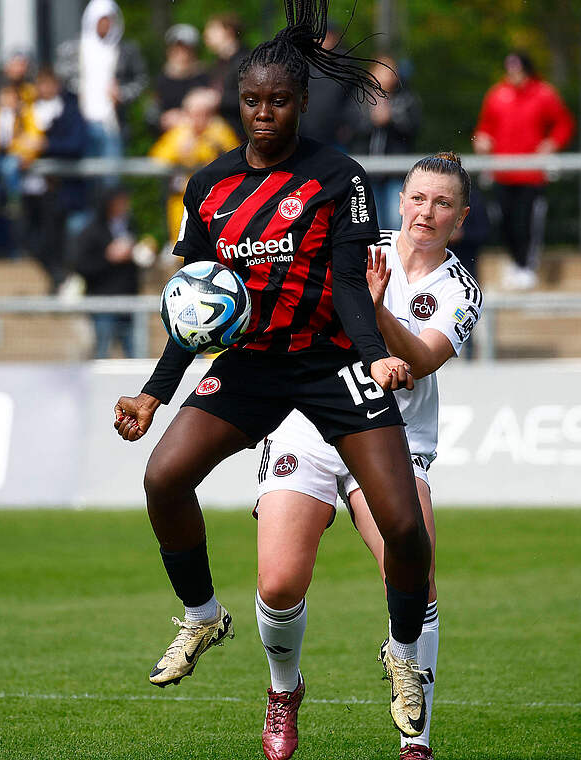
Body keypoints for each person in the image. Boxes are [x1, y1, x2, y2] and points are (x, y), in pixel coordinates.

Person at [111, 0, 434, 742]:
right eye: (252, 100)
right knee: (163, 478)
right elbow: (196, 307)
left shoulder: (338, 176)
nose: (264, 113)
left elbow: (351, 284)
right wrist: (155, 394)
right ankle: (202, 617)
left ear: (301, 101)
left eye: (278, 100)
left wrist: (377, 352)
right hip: (253, 366)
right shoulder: (209, 187)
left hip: (332, 364)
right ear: (238, 101)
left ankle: (404, 653)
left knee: (404, 526)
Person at [252, 152, 479, 760]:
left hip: (392, 440)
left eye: (442, 204)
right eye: (417, 199)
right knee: (278, 583)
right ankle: (283, 692)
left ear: (460, 217)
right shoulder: (356, 244)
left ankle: (415, 739)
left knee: (414, 572)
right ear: (398, 200)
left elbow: (423, 361)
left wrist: (374, 310)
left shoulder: (459, 288)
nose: (426, 213)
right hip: (308, 423)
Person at [472, 51, 574, 289]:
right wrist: (482, 139)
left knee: (528, 220)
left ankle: (527, 265)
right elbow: (485, 125)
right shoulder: (497, 94)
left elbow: (563, 123)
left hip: (531, 173)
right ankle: (515, 261)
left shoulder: (544, 94)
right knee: (504, 219)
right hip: (502, 171)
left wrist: (552, 143)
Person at [56, 0, 148, 165]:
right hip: (81, 122)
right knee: (86, 177)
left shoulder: (126, 49)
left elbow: (141, 80)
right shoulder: (73, 49)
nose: (106, 24)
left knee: (111, 175)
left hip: (112, 124)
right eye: (101, 19)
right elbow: (61, 76)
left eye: (109, 19)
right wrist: (79, 87)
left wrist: (122, 94)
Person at [148, 87, 240, 240]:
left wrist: (200, 147)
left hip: (215, 203)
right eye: (193, 113)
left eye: (204, 113)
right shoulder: (179, 133)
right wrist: (177, 150)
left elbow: (233, 157)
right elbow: (157, 158)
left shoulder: (220, 131)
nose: (198, 118)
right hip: (181, 203)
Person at [70, 186, 151, 358]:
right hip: (103, 302)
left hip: (129, 300)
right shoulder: (92, 231)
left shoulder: (130, 225)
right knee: (102, 353)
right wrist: (108, 258)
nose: (124, 206)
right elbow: (80, 265)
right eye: (119, 202)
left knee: (135, 353)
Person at [30, 67, 89, 291]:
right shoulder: (28, 109)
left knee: (64, 242)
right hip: (34, 191)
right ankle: (57, 279)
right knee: (33, 239)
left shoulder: (70, 110)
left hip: (64, 191)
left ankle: (61, 281)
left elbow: (77, 144)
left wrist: (47, 146)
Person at [0, 83, 44, 256]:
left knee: (8, 168)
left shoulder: (24, 115)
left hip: (16, 156)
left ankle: (14, 199)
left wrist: (27, 155)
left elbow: (34, 138)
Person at [352, 55, 420, 229]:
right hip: (365, 171)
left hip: (395, 171)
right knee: (372, 219)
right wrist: (371, 122)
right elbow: (348, 128)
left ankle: (396, 255)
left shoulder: (406, 98)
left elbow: (414, 128)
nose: (388, 76)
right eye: (383, 70)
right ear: (371, 73)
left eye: (391, 71)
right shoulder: (358, 98)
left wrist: (392, 120)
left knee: (395, 219)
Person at [151, 24, 212, 134]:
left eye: (185, 50)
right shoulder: (162, 79)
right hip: (169, 138)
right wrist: (163, 119)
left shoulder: (204, 76)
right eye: (176, 49)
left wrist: (186, 118)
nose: (181, 54)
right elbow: (151, 115)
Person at [205, 13, 250, 140]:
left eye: (213, 29)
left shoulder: (246, 62)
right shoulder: (217, 65)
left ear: (228, 31)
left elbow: (252, 98)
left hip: (239, 134)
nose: (206, 35)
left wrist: (218, 100)